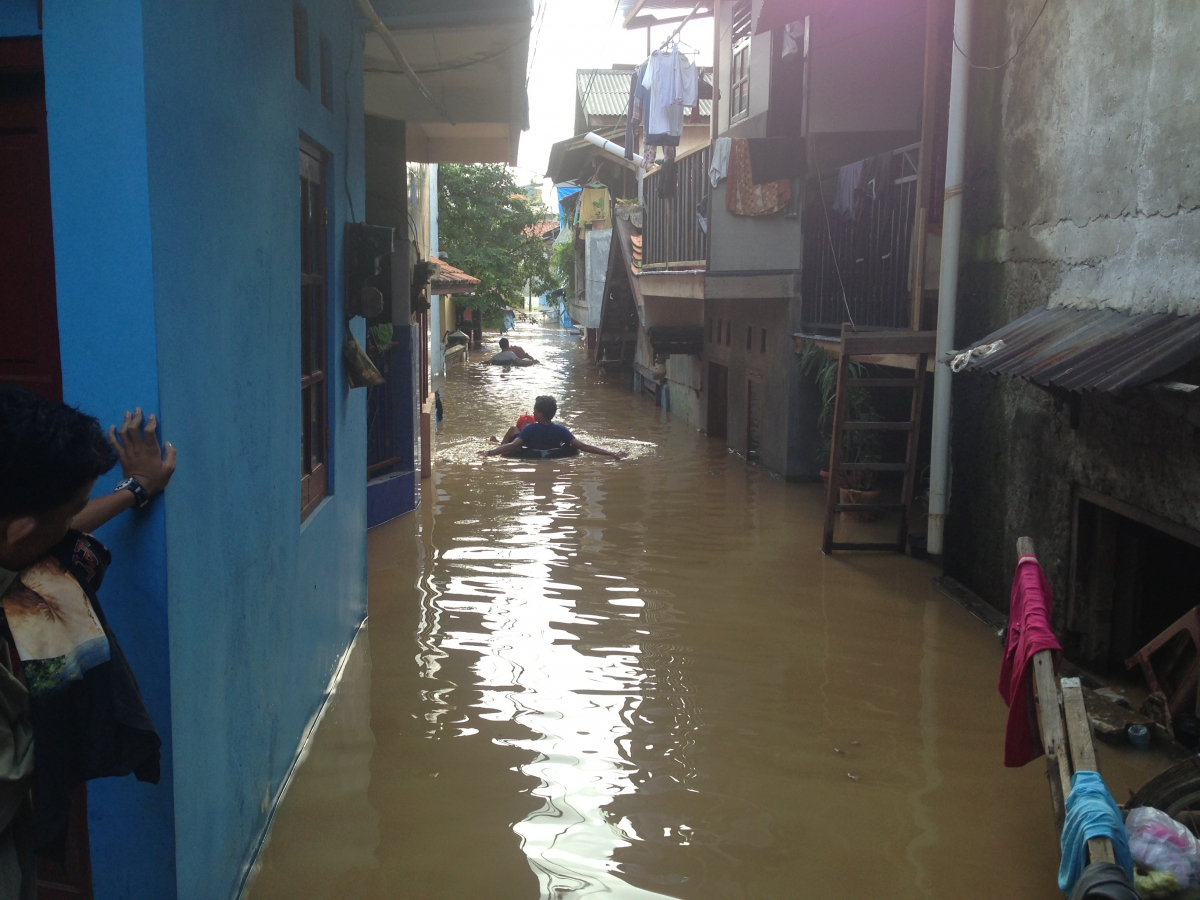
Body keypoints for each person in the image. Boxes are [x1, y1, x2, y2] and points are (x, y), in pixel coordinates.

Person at [0, 387, 175, 886]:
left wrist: (137, 488)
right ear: (22, 532)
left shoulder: (15, 531)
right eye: (72, 511)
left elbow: (53, 525)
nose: (75, 530)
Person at [482, 395, 627, 460]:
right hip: (553, 452)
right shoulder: (560, 430)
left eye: (534, 411)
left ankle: (496, 441)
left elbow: (512, 446)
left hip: (529, 452)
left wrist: (489, 453)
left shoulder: (530, 429)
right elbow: (582, 446)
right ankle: (496, 442)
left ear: (539, 414)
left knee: (514, 428)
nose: (532, 413)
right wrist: (611, 453)